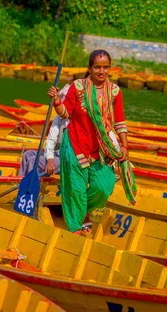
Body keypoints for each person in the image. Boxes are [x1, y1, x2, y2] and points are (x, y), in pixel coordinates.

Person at [48, 49, 131, 234]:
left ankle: (86, 216)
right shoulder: (77, 87)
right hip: (75, 142)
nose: (101, 71)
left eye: (105, 67)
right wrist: (56, 101)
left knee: (104, 185)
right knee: (75, 190)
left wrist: (125, 146)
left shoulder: (115, 92)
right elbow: (65, 113)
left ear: (110, 68)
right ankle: (75, 228)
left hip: (101, 148)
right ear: (90, 68)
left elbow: (119, 121)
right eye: (97, 67)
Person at [18, 84, 71, 177]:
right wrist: (50, 158)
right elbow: (51, 139)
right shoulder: (58, 118)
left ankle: (30, 189)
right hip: (58, 152)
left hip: (69, 157)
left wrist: (51, 159)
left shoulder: (75, 118)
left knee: (33, 161)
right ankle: (20, 181)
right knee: (28, 154)